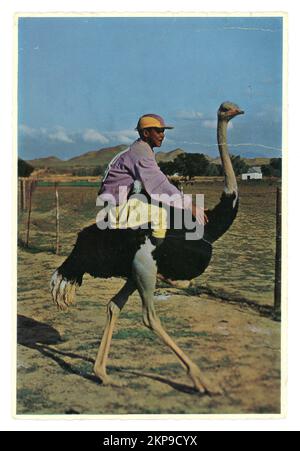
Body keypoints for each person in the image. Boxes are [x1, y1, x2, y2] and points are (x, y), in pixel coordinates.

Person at [97, 113, 206, 246]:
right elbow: (159, 184)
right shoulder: (140, 153)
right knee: (160, 215)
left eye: (163, 131)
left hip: (117, 202)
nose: (162, 135)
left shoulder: (140, 149)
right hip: (116, 208)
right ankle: (156, 257)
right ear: (146, 133)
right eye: (159, 131)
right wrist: (189, 205)